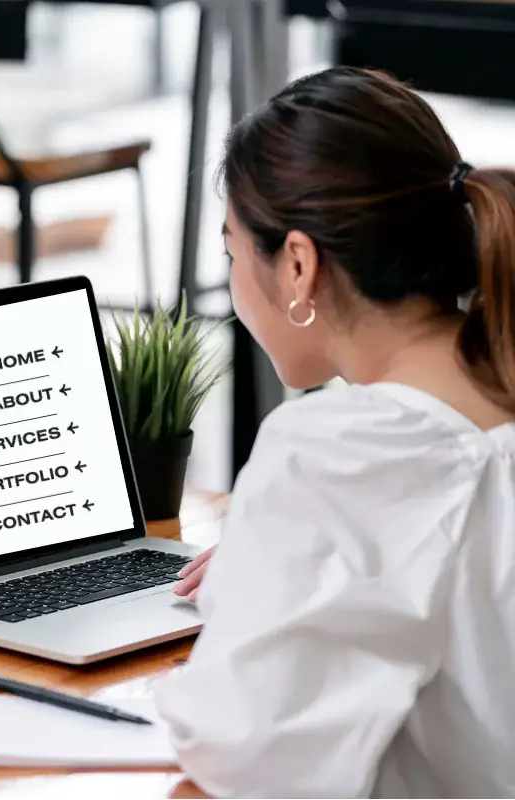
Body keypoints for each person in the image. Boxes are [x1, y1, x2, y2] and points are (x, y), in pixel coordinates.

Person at [153, 66, 515, 798]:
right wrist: (284, 559)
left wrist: (264, 578)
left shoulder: (341, 454)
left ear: (297, 264)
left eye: (231, 253)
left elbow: (242, 756)